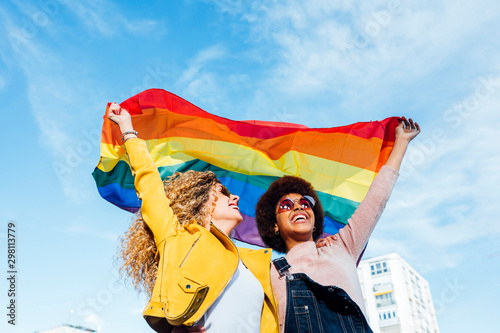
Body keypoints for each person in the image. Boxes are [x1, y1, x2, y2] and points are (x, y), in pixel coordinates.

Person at [107, 103, 279, 333]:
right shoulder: (177, 239)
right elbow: (150, 187)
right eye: (223, 192)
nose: (234, 197)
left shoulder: (254, 262)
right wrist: (127, 130)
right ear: (200, 203)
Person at [255, 117, 420, 332]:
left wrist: (401, 142)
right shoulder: (267, 273)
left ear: (314, 222)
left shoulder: (343, 247)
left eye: (305, 203)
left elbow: (376, 199)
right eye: (286, 205)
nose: (298, 207)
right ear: (274, 225)